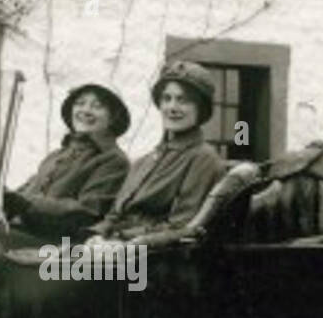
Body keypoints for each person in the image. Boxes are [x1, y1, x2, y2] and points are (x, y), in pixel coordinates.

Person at [87, 61, 226, 249]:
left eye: (183, 100)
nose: (172, 107)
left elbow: (182, 227)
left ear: (200, 108)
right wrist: (96, 236)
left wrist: (123, 241)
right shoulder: (143, 162)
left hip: (156, 259)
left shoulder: (203, 159)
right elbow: (113, 216)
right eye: (166, 98)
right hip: (116, 250)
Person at [2, 83, 130, 238]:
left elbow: (87, 213)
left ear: (113, 118)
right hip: (21, 233)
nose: (86, 111)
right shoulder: (56, 155)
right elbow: (23, 192)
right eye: (80, 103)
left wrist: (25, 203)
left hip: (61, 248)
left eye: (97, 106)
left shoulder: (113, 160)